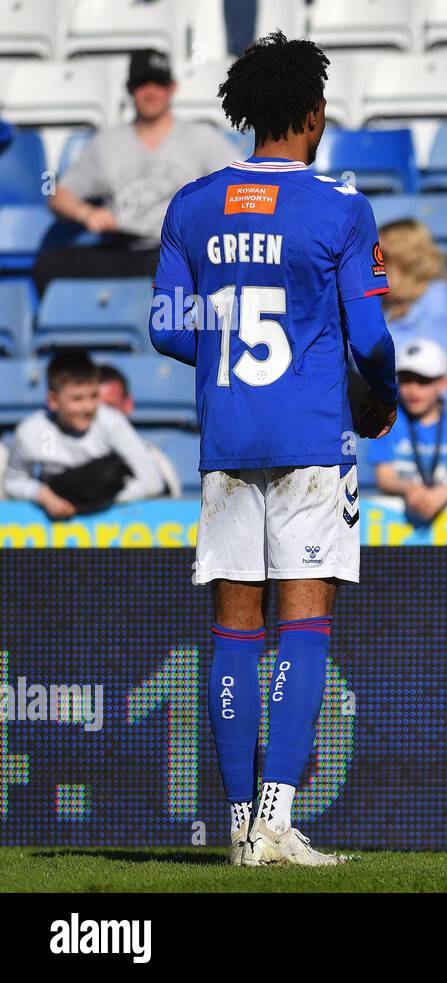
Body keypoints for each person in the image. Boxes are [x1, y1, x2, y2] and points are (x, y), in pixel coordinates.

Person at [149, 32, 398, 867]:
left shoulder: (192, 203)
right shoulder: (339, 207)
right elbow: (370, 337)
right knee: (305, 621)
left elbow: (164, 326)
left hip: (227, 436)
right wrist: (382, 397)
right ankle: (278, 821)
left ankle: (234, 827)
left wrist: (226, 362)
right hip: (309, 439)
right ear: (315, 114)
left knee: (232, 629)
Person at [36, 50, 234, 294]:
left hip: (175, 252)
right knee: (47, 265)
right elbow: (57, 194)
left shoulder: (202, 137)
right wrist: (86, 213)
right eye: (142, 83)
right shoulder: (106, 143)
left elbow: (240, 185)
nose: (150, 91)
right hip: (122, 248)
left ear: (172, 88)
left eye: (158, 83)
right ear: (130, 89)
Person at [4, 350, 165, 516]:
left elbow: (152, 481)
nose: (88, 407)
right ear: (53, 401)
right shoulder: (31, 432)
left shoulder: (112, 422)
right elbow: (13, 482)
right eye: (77, 399)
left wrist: (94, 504)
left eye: (94, 396)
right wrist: (42, 495)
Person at [371, 339, 447, 525]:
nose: (413, 390)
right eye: (406, 380)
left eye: (423, 381)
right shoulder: (388, 419)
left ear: (444, 383)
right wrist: (409, 488)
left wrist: (443, 494)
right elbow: (384, 477)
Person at [378, 219, 447, 397]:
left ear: (403, 260)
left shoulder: (440, 298)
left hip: (436, 414)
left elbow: (425, 364)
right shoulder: (390, 302)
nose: (374, 266)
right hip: (392, 405)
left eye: (381, 258)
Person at [96, 362, 183, 497]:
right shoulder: (66, 453)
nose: (103, 417)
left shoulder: (157, 462)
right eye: (95, 410)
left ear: (128, 405)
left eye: (109, 408)